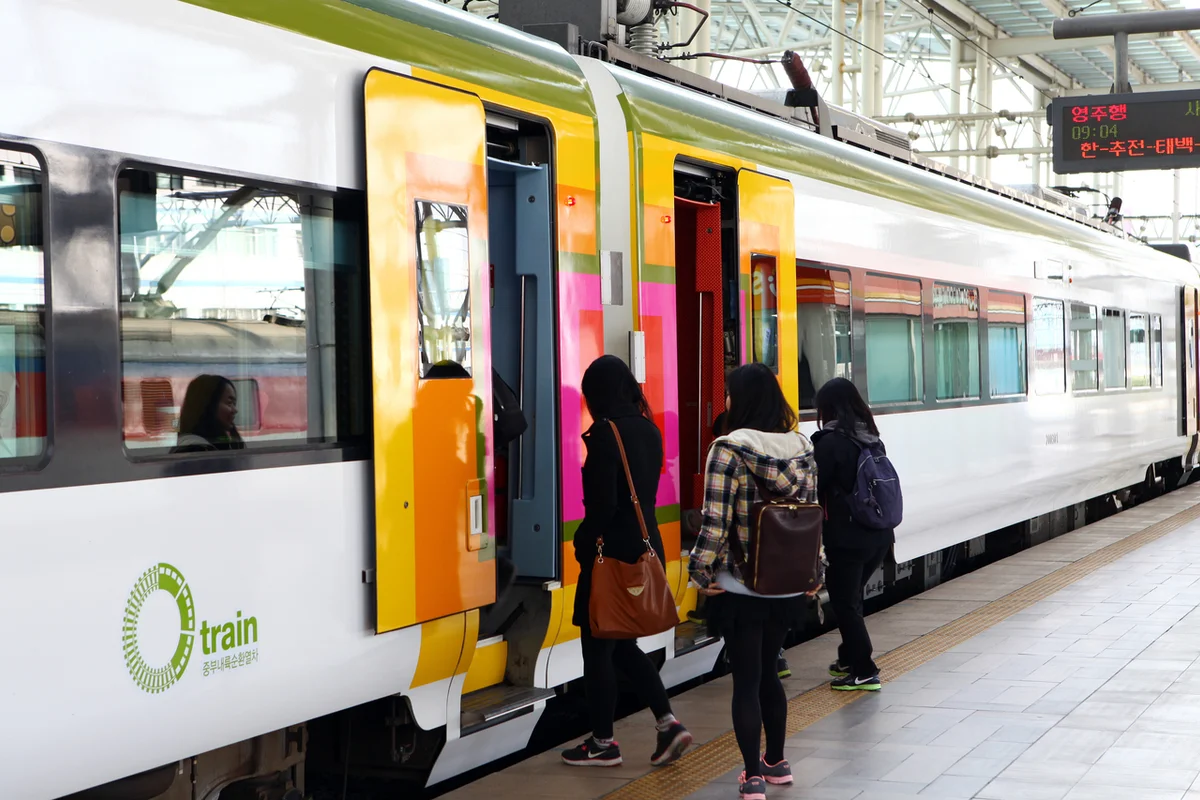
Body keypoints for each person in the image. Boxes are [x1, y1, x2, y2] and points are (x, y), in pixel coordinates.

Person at [688, 363, 822, 800]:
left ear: (740, 400)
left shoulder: (727, 450)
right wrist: (815, 571)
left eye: (728, 393)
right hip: (786, 582)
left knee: (745, 679)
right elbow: (813, 514)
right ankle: (777, 761)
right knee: (771, 673)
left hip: (742, 585)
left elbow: (714, 522)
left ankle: (751, 775)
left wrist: (700, 571)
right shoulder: (802, 448)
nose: (725, 400)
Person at [562, 354, 692, 768]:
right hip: (644, 545)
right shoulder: (648, 429)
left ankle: (603, 742)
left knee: (598, 645)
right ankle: (667, 722)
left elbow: (603, 506)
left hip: (609, 555)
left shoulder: (605, 435)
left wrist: (582, 542)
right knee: (620, 645)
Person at [813, 377, 895, 692]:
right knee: (852, 598)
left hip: (847, 539)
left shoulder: (829, 443)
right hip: (879, 535)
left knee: (845, 603)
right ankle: (848, 659)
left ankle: (864, 669)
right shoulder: (870, 438)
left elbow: (813, 489)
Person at [172, 375, 245, 453]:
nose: (235, 410)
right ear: (209, 404)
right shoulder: (196, 449)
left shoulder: (198, 445)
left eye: (234, 404)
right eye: (229, 403)